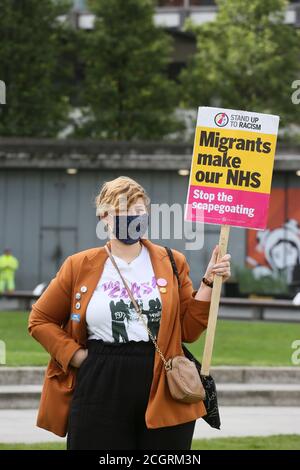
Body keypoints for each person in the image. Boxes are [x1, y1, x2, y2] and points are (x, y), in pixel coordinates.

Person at [28, 176, 231, 450]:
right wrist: (76, 357)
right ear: (104, 217)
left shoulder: (172, 261)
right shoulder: (78, 265)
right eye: (123, 210)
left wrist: (208, 282)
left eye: (139, 211)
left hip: (161, 377)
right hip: (100, 377)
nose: (133, 217)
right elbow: (40, 320)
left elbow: (189, 330)